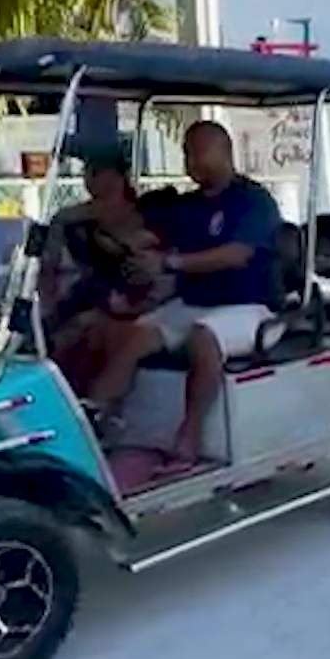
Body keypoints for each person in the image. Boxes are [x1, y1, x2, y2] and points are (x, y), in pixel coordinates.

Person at [83, 121, 283, 475]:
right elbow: (150, 236)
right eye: (187, 154)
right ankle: (94, 424)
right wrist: (134, 250)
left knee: (203, 337)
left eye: (198, 152)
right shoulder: (189, 205)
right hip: (193, 303)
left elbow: (237, 254)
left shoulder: (253, 201)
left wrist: (169, 263)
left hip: (249, 306)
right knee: (130, 336)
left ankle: (188, 439)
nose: (191, 162)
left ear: (224, 151)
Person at [38, 155, 173, 391]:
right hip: (88, 295)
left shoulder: (148, 216)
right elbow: (49, 266)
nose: (89, 179)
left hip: (134, 301)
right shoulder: (71, 221)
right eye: (88, 172)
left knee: (80, 328)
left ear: (118, 177)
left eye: (97, 172)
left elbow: (152, 272)